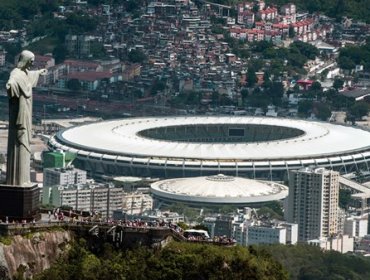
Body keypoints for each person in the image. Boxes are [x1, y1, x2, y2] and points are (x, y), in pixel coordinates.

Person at [6, 50, 47, 186]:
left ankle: (24, 179)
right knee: (19, 143)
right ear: (25, 61)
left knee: (25, 145)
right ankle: (16, 180)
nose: (32, 64)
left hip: (27, 112)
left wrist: (39, 72)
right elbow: (12, 82)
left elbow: (29, 75)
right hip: (20, 115)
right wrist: (11, 86)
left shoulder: (25, 73)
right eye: (30, 61)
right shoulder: (16, 74)